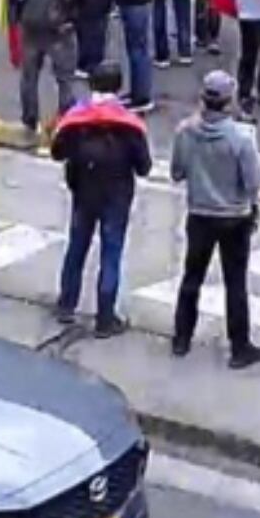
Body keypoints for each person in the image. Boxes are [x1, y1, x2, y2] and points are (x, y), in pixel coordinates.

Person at [170, 70, 260, 368]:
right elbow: (254, 182)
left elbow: (177, 173)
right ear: (229, 101)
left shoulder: (185, 132)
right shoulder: (241, 138)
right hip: (235, 217)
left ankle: (181, 338)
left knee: (192, 277)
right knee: (235, 283)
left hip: (199, 213)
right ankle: (240, 347)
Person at [50, 61, 150, 337]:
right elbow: (144, 166)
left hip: (83, 191)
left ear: (91, 84)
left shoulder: (75, 119)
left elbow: (57, 152)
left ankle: (66, 304)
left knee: (77, 247)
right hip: (117, 196)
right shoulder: (129, 124)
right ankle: (105, 318)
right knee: (111, 252)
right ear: (119, 87)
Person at [12, 0, 85, 140]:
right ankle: (65, 122)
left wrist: (18, 16)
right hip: (60, 26)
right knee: (65, 78)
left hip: (31, 24)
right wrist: (73, 14)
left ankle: (29, 120)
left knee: (29, 76)